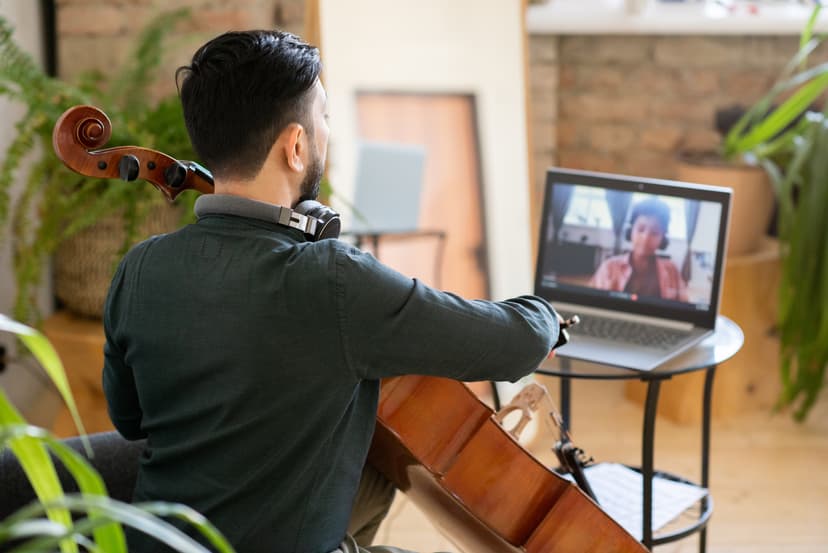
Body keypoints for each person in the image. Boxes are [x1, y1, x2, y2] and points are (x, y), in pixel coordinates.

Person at [101, 30, 560, 553]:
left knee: (377, 457)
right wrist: (547, 312)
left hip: (161, 542)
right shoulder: (331, 280)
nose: (327, 134)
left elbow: (130, 419)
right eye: (323, 119)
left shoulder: (136, 269)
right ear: (295, 146)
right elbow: (515, 343)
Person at [589, 198, 688, 302]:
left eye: (654, 232)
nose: (646, 238)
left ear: (663, 238)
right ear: (630, 231)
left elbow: (684, 304)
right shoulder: (609, 267)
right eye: (641, 229)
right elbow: (591, 301)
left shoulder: (671, 270)